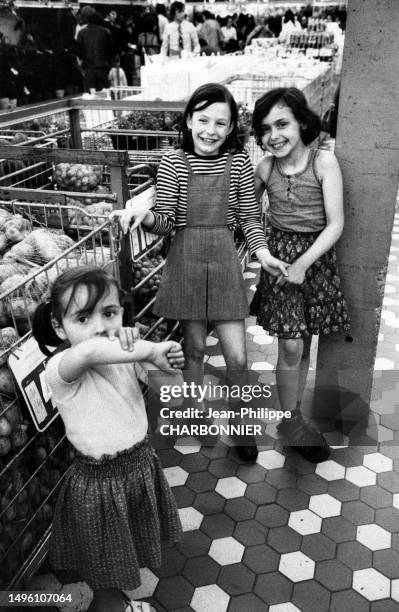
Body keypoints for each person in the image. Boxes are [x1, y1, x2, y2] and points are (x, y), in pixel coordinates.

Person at [115, 83, 276, 462]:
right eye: (202, 119)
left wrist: (262, 250)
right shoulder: (173, 161)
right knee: (196, 348)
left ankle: (240, 425)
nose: (210, 130)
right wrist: (147, 216)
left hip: (223, 261)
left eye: (221, 122)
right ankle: (193, 411)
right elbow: (168, 222)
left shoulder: (238, 162)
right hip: (185, 259)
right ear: (189, 120)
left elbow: (250, 217)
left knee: (237, 356)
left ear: (232, 126)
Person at [32, 266, 184, 612]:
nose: (100, 327)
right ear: (59, 327)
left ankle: (118, 602)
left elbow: (173, 395)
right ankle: (110, 606)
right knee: (105, 575)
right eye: (82, 318)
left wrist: (166, 363)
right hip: (100, 486)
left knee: (123, 556)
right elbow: (88, 353)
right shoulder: (61, 368)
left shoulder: (127, 356)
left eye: (110, 313)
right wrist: (149, 348)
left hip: (139, 469)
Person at [250, 88, 350, 463]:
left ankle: (293, 417)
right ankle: (290, 420)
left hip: (315, 261)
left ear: (302, 124)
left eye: (281, 124)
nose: (273, 135)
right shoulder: (265, 168)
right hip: (279, 264)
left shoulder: (324, 163)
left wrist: (304, 264)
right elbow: (242, 208)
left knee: (304, 341)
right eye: (264, 129)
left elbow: (335, 222)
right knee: (290, 345)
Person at [76, 10, 116, 92]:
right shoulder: (106, 32)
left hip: (88, 68)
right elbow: (112, 50)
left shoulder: (82, 32)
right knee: (103, 93)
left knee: (90, 93)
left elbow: (78, 50)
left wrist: (83, 62)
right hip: (103, 68)